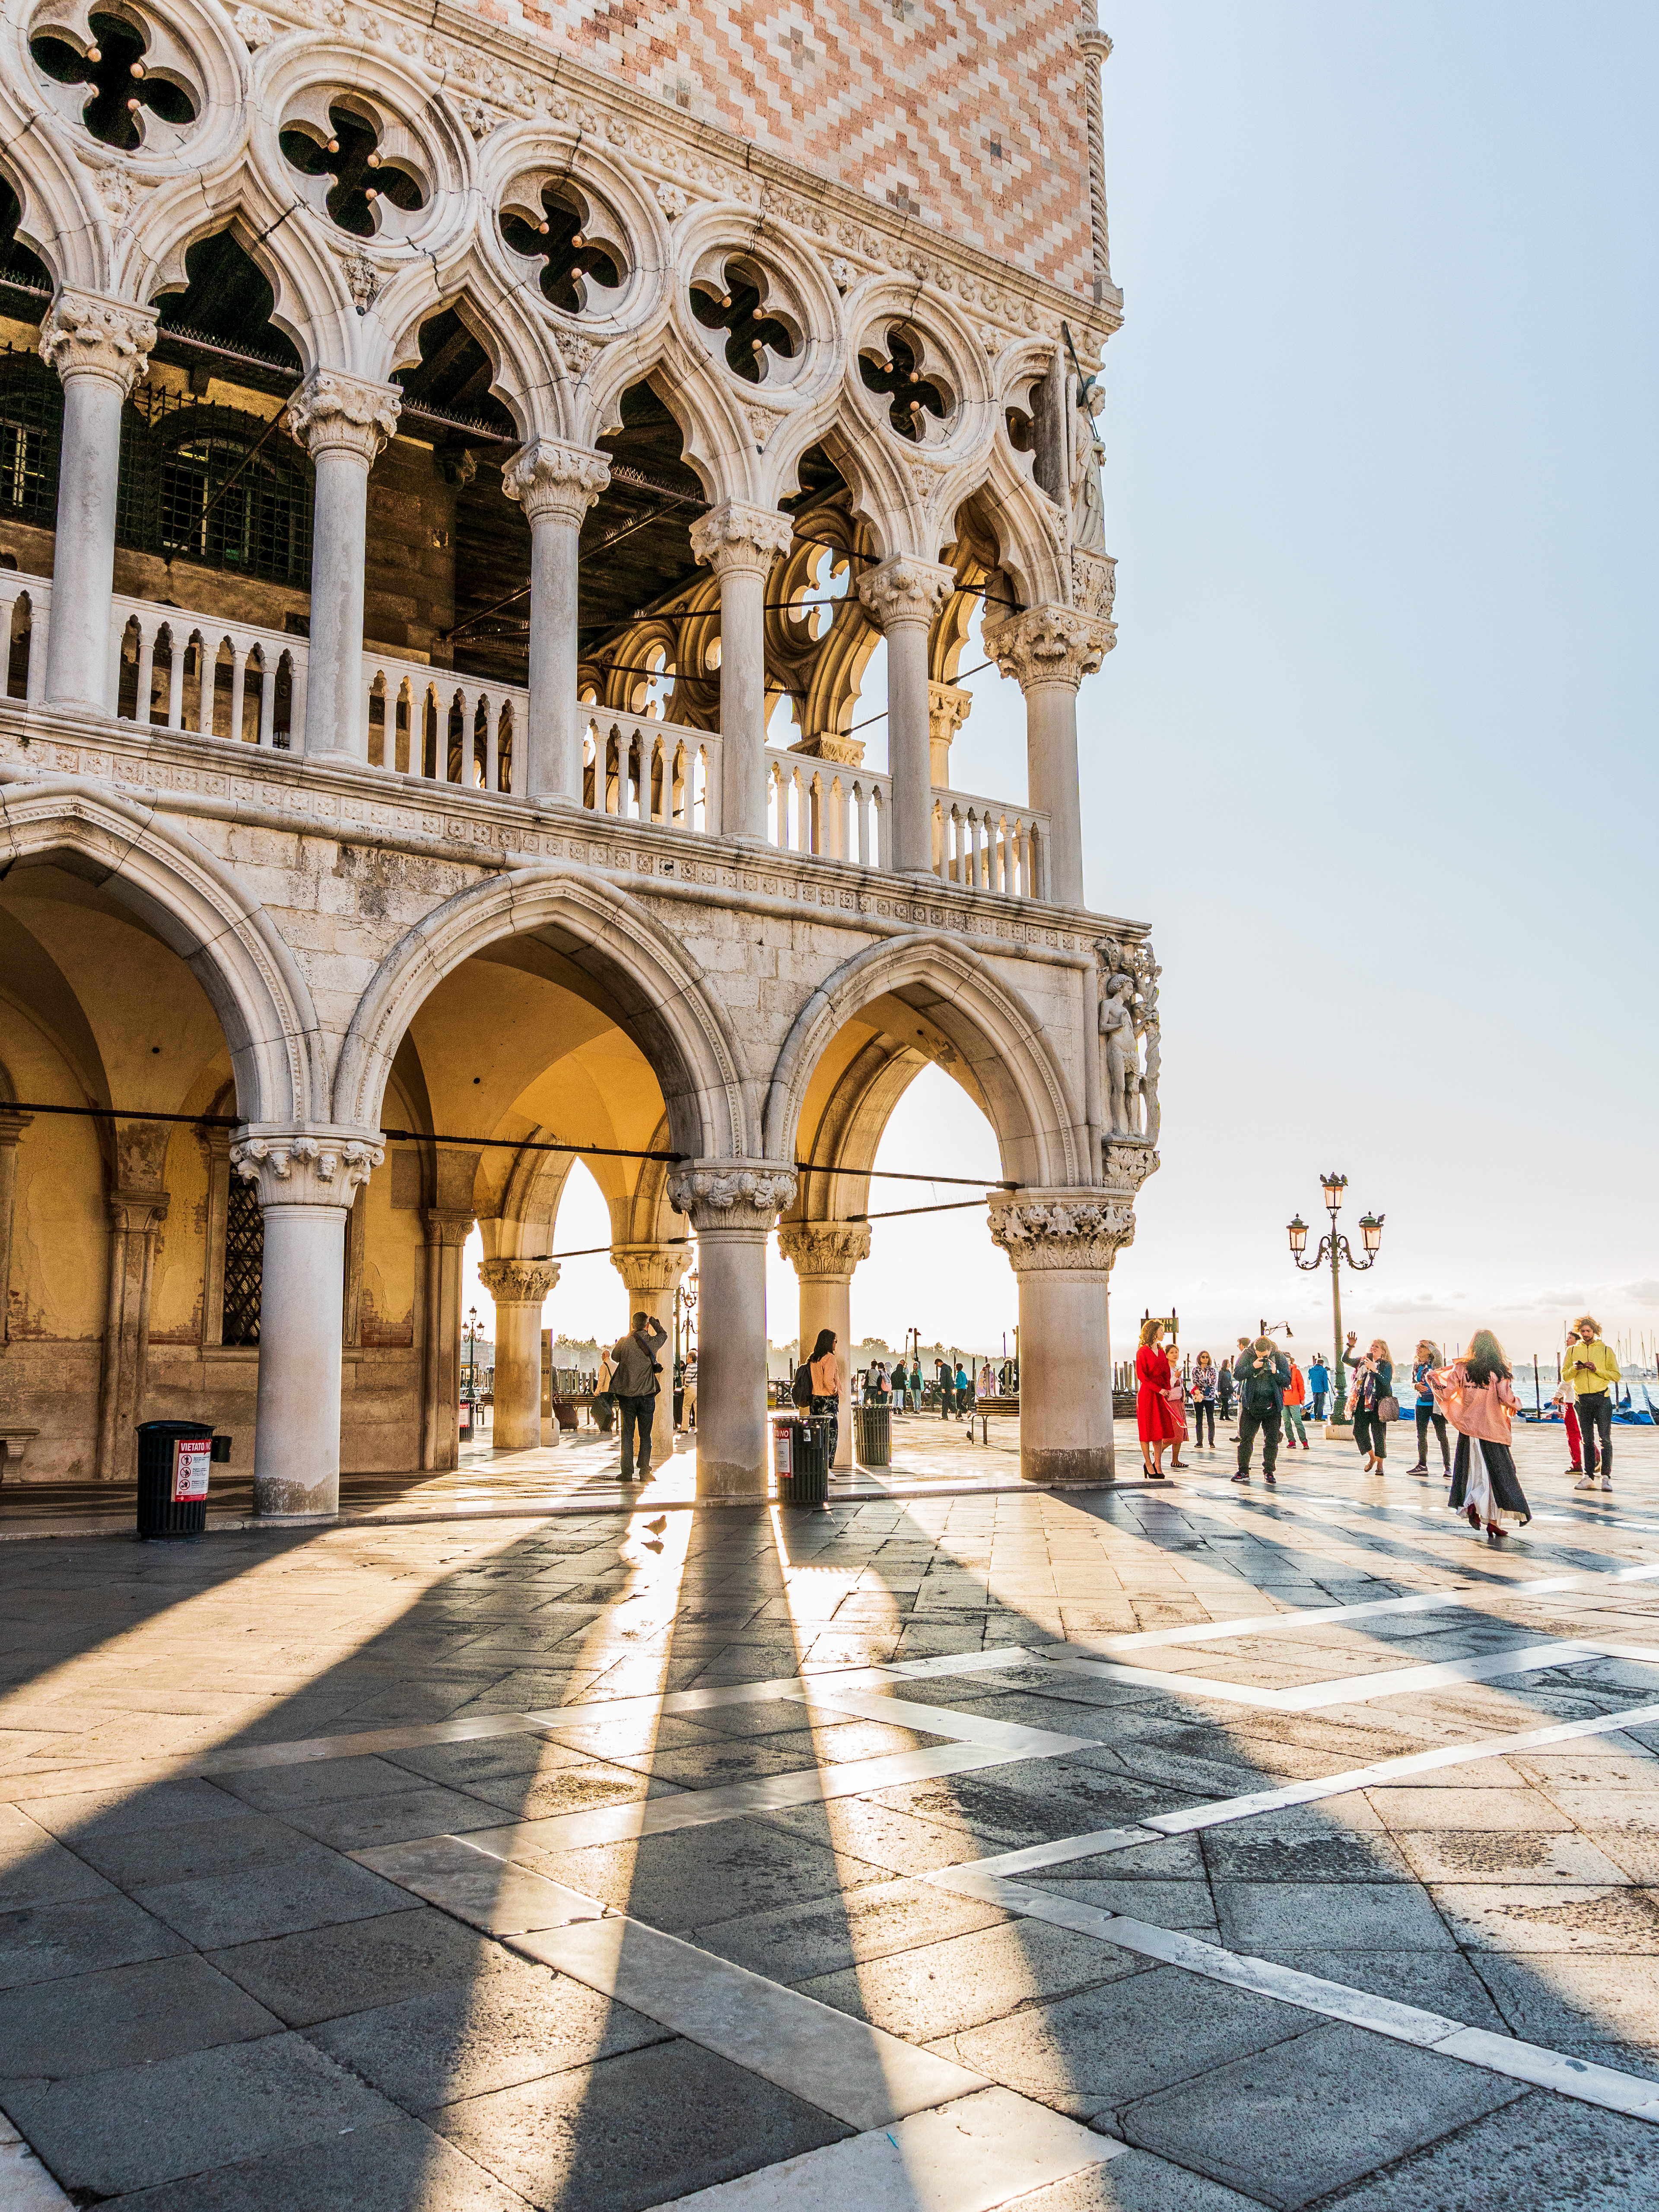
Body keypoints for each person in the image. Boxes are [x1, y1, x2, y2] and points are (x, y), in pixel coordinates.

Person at [1431, 1329, 1529, 1543]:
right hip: (1492, 1431)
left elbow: (1446, 1393)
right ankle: (1491, 1519)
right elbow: (1506, 1398)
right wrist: (1517, 1405)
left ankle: (1481, 1512)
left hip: (1469, 1430)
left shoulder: (1461, 1369)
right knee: (1497, 1475)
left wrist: (1433, 1379)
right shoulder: (1500, 1371)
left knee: (1474, 1474)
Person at [1563, 1315, 1621, 1492]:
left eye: (1589, 1331)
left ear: (1595, 1332)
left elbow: (1616, 1376)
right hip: (1582, 1400)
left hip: (1602, 1399)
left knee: (1605, 1440)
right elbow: (1565, 1376)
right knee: (1587, 1441)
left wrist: (1597, 1370)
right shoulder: (1572, 1351)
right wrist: (1575, 1368)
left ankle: (1606, 1478)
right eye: (1583, 1331)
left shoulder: (1606, 1350)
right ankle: (1588, 1477)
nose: (1586, 1334)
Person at [608, 1309, 667, 1481]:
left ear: (633, 1325)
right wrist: (654, 1322)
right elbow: (664, 1334)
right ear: (647, 1325)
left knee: (627, 1434)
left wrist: (625, 1338)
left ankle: (627, 1472)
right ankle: (645, 1472)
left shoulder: (625, 1342)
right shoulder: (653, 1341)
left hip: (627, 1396)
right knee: (645, 1435)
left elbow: (615, 1356)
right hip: (647, 1395)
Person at [1231, 1335, 1290, 1484]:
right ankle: (1243, 1471)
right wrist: (1253, 1367)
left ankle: (1269, 1471)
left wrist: (1275, 1371)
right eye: (1260, 1356)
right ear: (1255, 1350)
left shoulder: (1279, 1356)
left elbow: (1287, 1380)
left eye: (1265, 1356)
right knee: (1245, 1440)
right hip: (1250, 1405)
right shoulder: (1247, 1354)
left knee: (1271, 1441)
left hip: (1273, 1406)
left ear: (1271, 1349)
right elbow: (1237, 1374)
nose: (1263, 1358)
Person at [1136, 1317, 1180, 1479]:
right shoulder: (1142, 1352)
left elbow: (1166, 1372)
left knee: (1159, 1431)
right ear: (1154, 1332)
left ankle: (1158, 1465)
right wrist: (1159, 1389)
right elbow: (1142, 1376)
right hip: (1148, 1394)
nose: (1164, 1333)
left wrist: (1167, 1389)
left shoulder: (1161, 1351)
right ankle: (1148, 1464)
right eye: (1162, 1330)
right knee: (1147, 1431)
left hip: (1161, 1393)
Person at [1345, 1332, 1395, 1473]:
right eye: (1372, 1345)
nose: (1373, 1348)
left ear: (1383, 1351)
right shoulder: (1362, 1361)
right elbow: (1345, 1359)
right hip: (1362, 1402)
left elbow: (1386, 1381)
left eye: (1377, 1347)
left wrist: (1375, 1369)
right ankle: (1372, 1457)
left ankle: (1380, 1465)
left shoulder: (1386, 1365)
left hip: (1378, 1403)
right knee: (1358, 1431)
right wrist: (1350, 1346)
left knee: (1378, 1434)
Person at [1408, 1340, 1450, 1478]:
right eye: (1418, 1346)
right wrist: (1415, 1386)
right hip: (1420, 1404)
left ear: (1429, 1350)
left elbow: (1438, 1354)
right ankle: (1422, 1465)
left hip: (1436, 1405)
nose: (1418, 1348)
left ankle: (1447, 1467)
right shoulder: (1416, 1365)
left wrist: (1430, 1344)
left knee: (1441, 1435)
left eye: (1422, 1347)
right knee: (1421, 1435)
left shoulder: (1436, 1364)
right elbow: (1412, 1381)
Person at [804, 1325, 842, 1467]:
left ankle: (816, 1464)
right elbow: (828, 1380)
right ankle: (828, 1466)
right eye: (835, 1341)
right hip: (827, 1400)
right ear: (829, 1342)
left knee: (816, 1434)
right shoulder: (830, 1358)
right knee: (831, 1435)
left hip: (815, 1399)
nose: (835, 1343)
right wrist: (834, 1391)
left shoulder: (813, 1358)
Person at [1190, 1351, 1217, 1449]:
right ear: (1199, 1358)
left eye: (1207, 1357)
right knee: (1199, 1420)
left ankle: (1211, 1441)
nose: (1205, 1359)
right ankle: (1199, 1442)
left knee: (1211, 1419)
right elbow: (1194, 1381)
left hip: (1210, 1397)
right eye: (1203, 1357)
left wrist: (1203, 1381)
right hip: (1198, 1397)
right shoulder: (1195, 1369)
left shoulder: (1212, 1370)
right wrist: (1206, 1381)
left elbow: (1213, 1381)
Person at [1282, 1355, 1309, 1450]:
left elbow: (1301, 1386)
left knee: (1298, 1421)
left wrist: (1302, 1398)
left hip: (1294, 1400)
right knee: (1287, 1423)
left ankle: (1304, 1442)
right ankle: (1291, 1441)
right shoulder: (1280, 1372)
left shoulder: (1296, 1372)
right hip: (1283, 1400)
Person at [1309, 1353, 1330, 1423]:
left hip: (1314, 1389)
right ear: (1322, 1363)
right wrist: (1326, 1390)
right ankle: (1319, 1417)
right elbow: (1325, 1381)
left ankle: (1315, 1416)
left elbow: (1310, 1378)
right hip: (1322, 1389)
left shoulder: (1311, 1370)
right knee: (1321, 1403)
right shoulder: (1323, 1370)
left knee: (1316, 1403)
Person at [681, 1347, 698, 1433]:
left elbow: (688, 1380)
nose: (687, 1359)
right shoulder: (698, 1366)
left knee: (686, 1408)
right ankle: (698, 1429)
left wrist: (685, 1388)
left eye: (688, 1357)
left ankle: (684, 1428)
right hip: (698, 1388)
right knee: (697, 1409)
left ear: (691, 1358)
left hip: (691, 1388)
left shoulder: (690, 1367)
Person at [1216, 1356, 1235, 1424]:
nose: (1230, 1364)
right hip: (1223, 1390)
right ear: (1225, 1364)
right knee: (1225, 1404)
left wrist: (1233, 1391)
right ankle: (1226, 1416)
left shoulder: (1229, 1372)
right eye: (1228, 1363)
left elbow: (1230, 1382)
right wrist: (1219, 1390)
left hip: (1228, 1390)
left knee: (1225, 1404)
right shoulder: (1222, 1372)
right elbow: (1219, 1381)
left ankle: (1222, 1417)